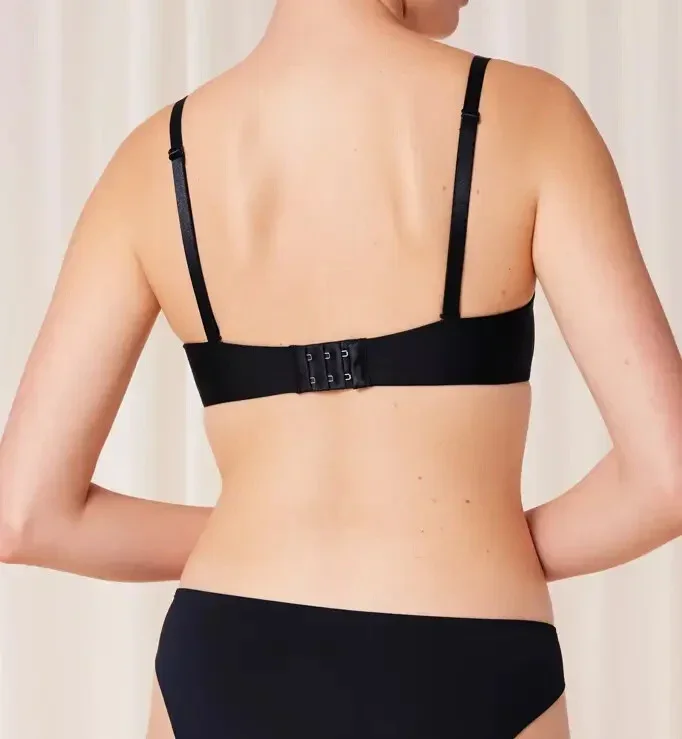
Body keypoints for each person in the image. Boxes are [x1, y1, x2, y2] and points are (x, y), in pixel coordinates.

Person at [1, 0, 681, 736]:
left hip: (225, 655)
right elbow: (668, 477)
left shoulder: (154, 159)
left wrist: (262, 535)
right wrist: (484, 540)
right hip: (464, 651)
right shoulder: (527, 115)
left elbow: (27, 515)